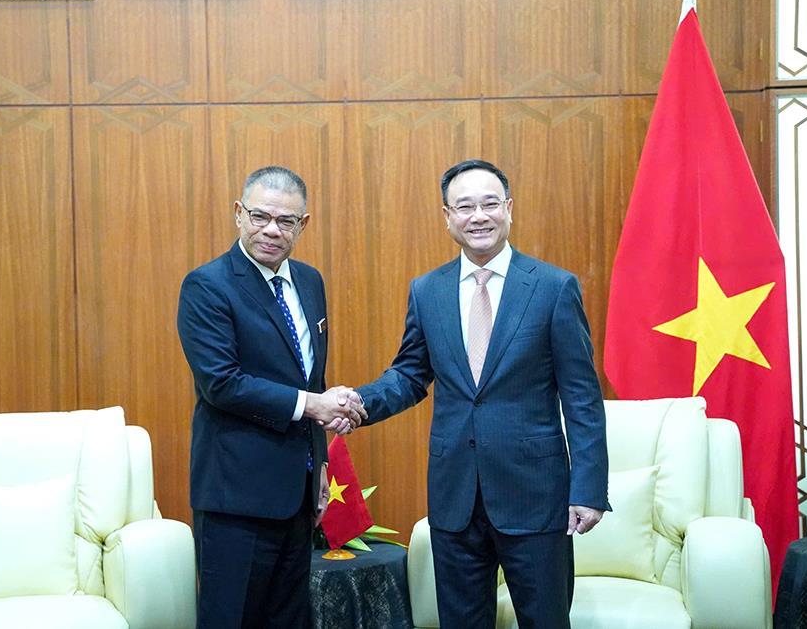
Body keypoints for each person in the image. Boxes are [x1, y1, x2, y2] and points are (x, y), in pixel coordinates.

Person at [354, 159, 609, 628]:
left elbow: (582, 399)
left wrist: (589, 488)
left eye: (490, 204)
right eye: (465, 206)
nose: (479, 216)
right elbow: (411, 375)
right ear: (447, 216)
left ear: (509, 209)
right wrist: (357, 404)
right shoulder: (427, 290)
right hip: (456, 498)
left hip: (536, 497)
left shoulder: (553, 288)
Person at [177, 165, 366, 629]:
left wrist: (320, 463)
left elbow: (312, 377)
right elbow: (221, 382)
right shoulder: (207, 285)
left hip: (298, 493)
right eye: (260, 216)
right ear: (238, 213)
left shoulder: (309, 281)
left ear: (304, 224)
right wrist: (312, 405)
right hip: (235, 496)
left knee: (290, 620)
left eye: (285, 221)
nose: (270, 230)